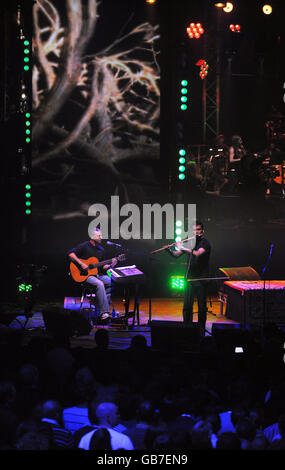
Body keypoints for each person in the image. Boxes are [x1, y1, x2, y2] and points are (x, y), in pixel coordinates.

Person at [166, 221, 211, 336]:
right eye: (194, 230)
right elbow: (176, 255)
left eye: (198, 230)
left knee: (201, 307)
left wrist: (182, 247)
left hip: (201, 279)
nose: (196, 232)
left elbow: (197, 253)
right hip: (189, 278)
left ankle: (201, 330)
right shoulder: (190, 242)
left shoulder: (205, 243)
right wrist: (169, 250)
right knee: (187, 306)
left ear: (202, 231)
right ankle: (187, 329)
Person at [67, 228, 117, 323]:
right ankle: (104, 313)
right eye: (99, 236)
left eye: (101, 235)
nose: (101, 237)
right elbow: (70, 254)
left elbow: (103, 267)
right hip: (84, 275)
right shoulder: (85, 246)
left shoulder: (101, 250)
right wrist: (81, 264)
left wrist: (111, 264)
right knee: (100, 284)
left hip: (96, 274)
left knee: (111, 281)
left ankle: (100, 306)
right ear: (92, 236)